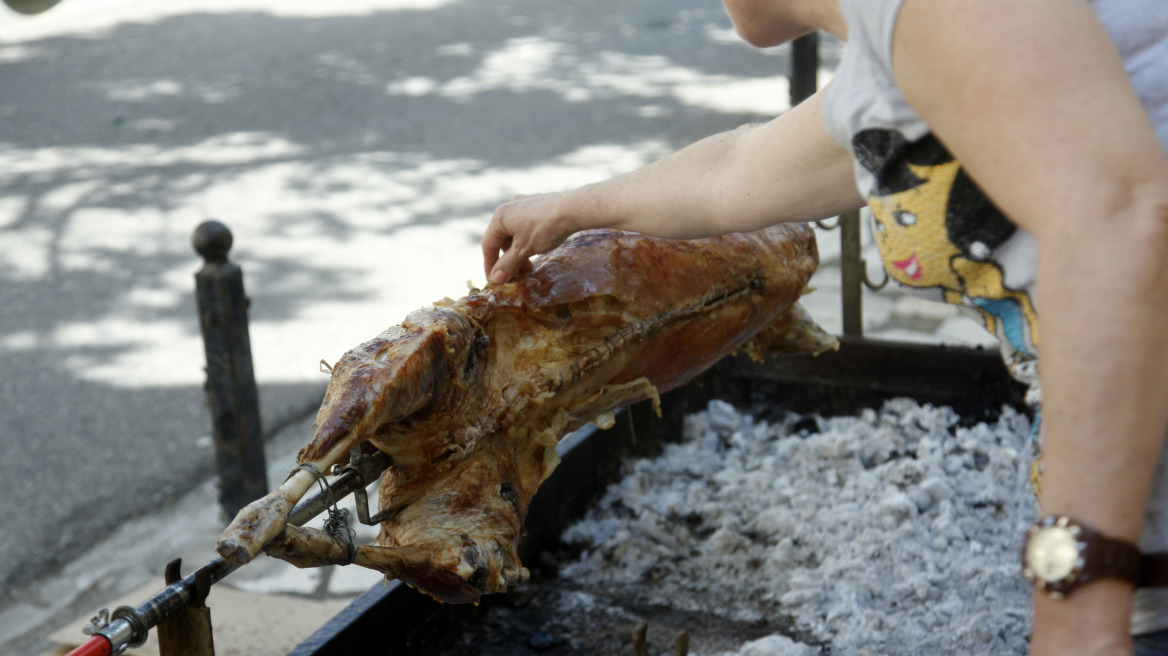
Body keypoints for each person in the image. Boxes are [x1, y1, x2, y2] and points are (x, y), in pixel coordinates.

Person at [481, 0, 1168, 654]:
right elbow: (732, 173)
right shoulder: (902, 51)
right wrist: (571, 209)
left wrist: (1080, 608)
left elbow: (1117, 224)